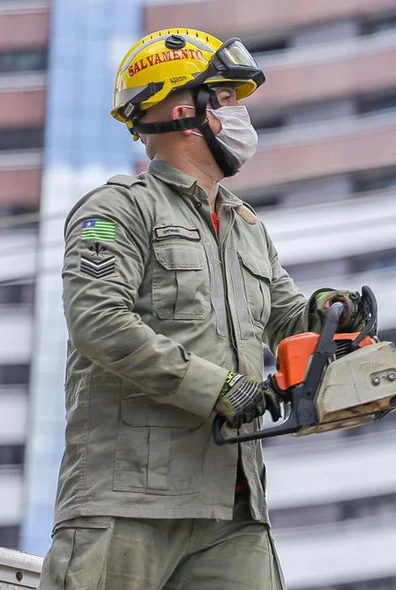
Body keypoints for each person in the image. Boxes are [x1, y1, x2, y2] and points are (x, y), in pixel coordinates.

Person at [38, 28, 360, 589]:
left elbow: (286, 317)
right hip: (128, 501)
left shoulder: (246, 226)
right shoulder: (115, 211)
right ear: (185, 109)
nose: (240, 117)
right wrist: (220, 389)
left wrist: (329, 311)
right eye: (228, 99)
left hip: (235, 511)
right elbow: (100, 323)